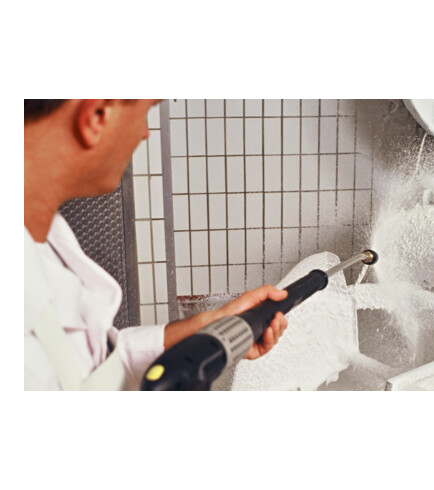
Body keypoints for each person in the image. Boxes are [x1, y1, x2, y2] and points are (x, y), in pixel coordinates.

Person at [24, 99, 288, 390]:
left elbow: (95, 367)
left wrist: (210, 327)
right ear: (97, 115)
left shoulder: (45, 239)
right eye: (145, 111)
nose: (145, 133)